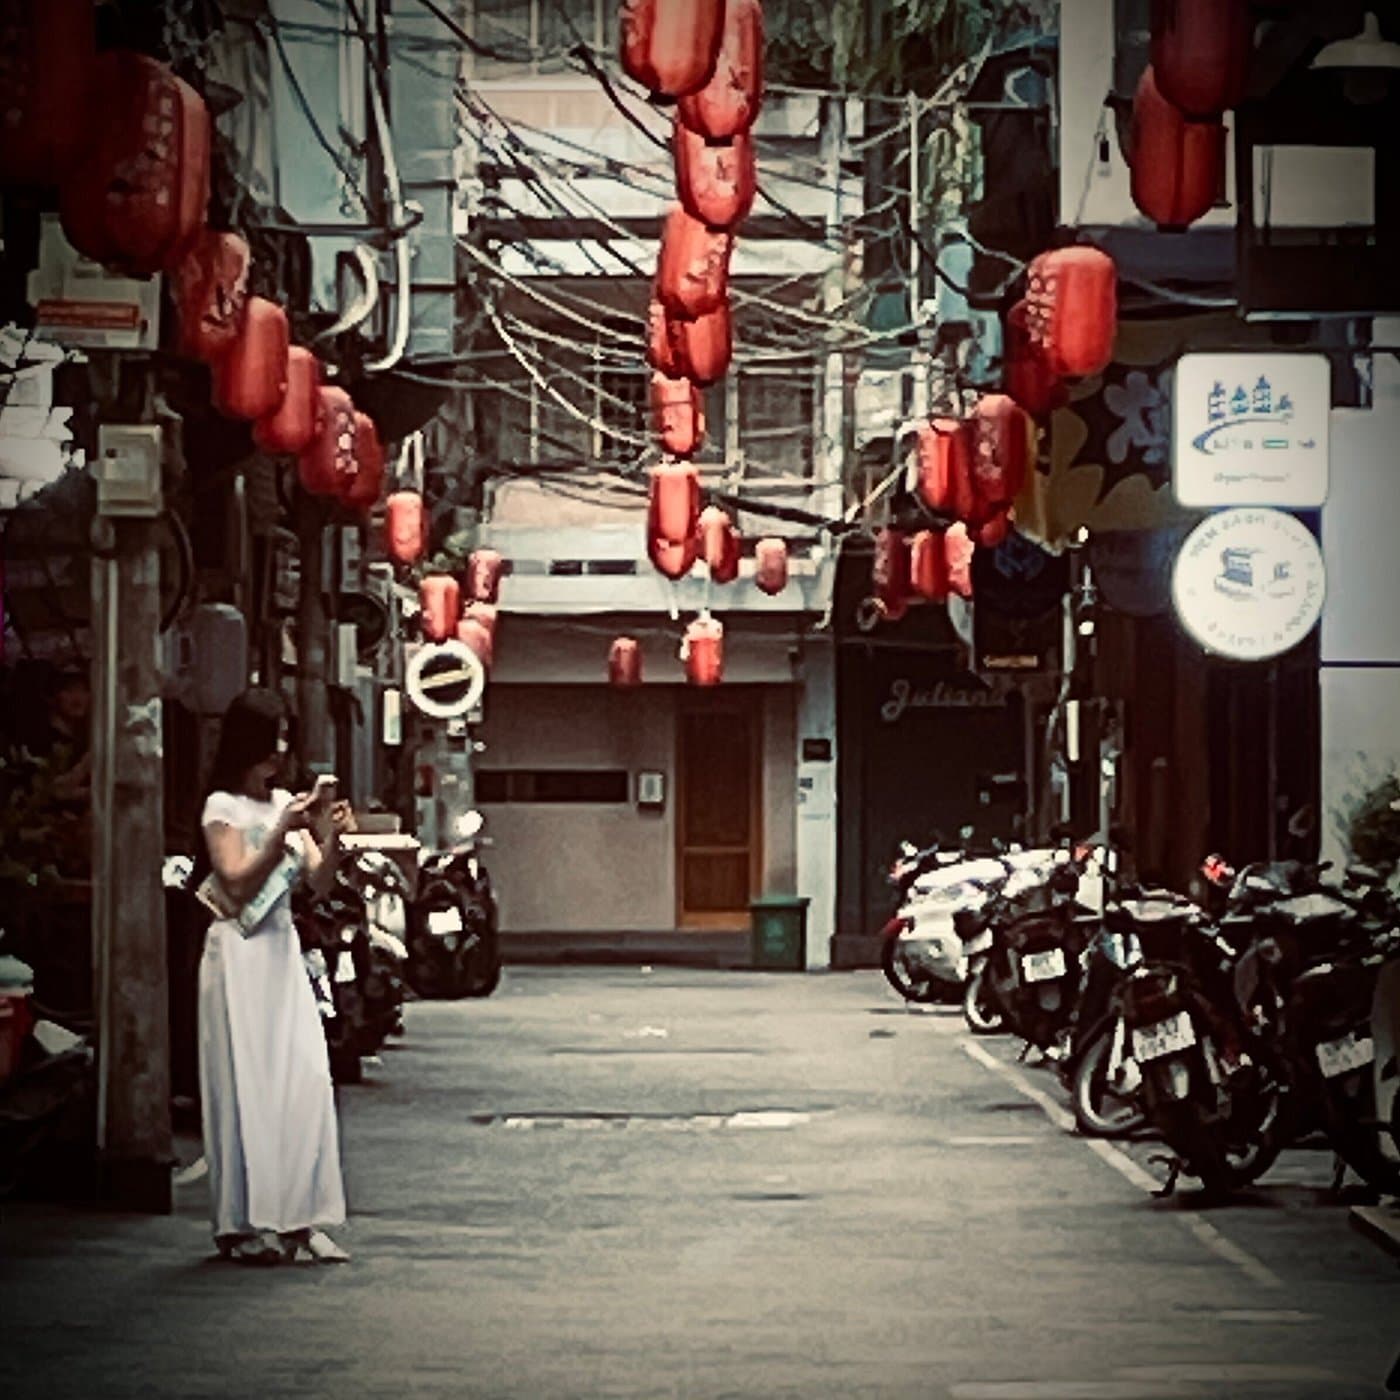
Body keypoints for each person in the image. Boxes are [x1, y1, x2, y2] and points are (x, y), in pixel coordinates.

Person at [194, 687, 355, 1265]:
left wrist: (329, 835)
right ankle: (243, 1223)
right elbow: (235, 883)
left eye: (285, 739)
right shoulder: (222, 807)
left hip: (282, 953)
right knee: (245, 1085)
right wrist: (280, 831)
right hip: (238, 955)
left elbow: (319, 884)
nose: (281, 753)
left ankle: (302, 1218)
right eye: (273, 739)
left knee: (305, 1080)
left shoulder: (285, 801)